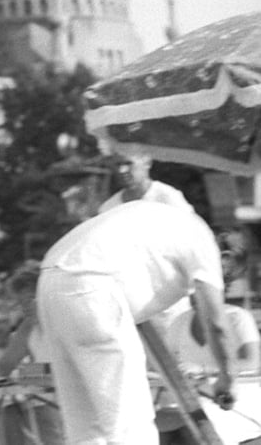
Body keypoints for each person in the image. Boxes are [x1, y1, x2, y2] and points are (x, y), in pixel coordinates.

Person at [37, 200, 235, 444]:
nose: (222, 283)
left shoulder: (168, 228)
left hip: (51, 280)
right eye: (227, 277)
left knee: (87, 430)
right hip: (92, 288)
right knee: (131, 426)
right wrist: (227, 378)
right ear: (225, 257)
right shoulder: (204, 243)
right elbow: (216, 322)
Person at [158, 234, 261, 445]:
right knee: (157, 425)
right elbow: (167, 367)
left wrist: (200, 370)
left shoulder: (238, 318)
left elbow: (252, 362)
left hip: (233, 402)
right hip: (192, 403)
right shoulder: (179, 322)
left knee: (189, 429)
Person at [0, 261, 64, 445]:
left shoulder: (65, 323)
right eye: (20, 302)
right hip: (39, 401)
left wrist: (22, 375)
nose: (24, 306)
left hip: (65, 404)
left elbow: (63, 373)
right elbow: (3, 367)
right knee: (9, 414)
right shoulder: (27, 327)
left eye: (29, 299)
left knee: (41, 415)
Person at [98, 154, 193, 213]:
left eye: (128, 163)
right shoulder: (109, 208)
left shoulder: (169, 199)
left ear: (147, 163)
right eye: (118, 164)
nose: (122, 170)